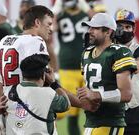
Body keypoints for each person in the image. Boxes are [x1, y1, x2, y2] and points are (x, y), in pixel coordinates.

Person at [77, 12, 137, 135]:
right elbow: (90, 88)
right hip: (91, 121)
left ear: (108, 32)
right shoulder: (86, 53)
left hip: (110, 122)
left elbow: (126, 94)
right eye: (90, 27)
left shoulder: (120, 52)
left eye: (95, 28)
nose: (90, 31)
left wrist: (97, 95)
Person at [0, 5, 53, 106]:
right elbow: (43, 83)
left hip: (9, 108)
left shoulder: (6, 40)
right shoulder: (36, 41)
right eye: (49, 24)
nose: (51, 29)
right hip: (27, 108)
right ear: (37, 22)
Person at [5, 54, 70, 135]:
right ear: (43, 75)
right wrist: (53, 83)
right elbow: (66, 104)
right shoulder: (48, 94)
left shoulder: (11, 92)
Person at [54, 0, 89, 134]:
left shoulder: (86, 13)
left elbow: (103, 22)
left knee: (95, 106)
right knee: (70, 111)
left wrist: (85, 7)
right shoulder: (61, 15)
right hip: (67, 68)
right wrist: (56, 10)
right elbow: (52, 28)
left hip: (87, 66)